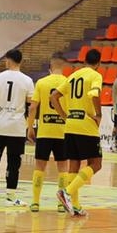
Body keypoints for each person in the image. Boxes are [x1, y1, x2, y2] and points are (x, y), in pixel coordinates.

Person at [56, 48, 104, 217]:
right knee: (96, 164)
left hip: (70, 125)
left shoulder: (73, 75)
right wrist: (99, 114)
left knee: (74, 165)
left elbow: (54, 96)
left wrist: (65, 116)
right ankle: (67, 192)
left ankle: (75, 206)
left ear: (84, 61)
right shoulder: (95, 75)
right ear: (98, 63)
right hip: (86, 125)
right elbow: (95, 94)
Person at [0, 50, 34, 206]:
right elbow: (30, 105)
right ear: (21, 61)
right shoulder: (27, 80)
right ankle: (10, 197)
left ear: (8, 60)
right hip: (17, 127)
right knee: (14, 162)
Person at [29, 56, 71, 213]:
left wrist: (30, 127)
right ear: (63, 67)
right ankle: (61, 204)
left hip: (45, 132)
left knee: (40, 166)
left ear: (50, 68)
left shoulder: (41, 82)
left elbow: (33, 107)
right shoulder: (68, 82)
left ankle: (35, 202)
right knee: (63, 168)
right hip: (63, 132)